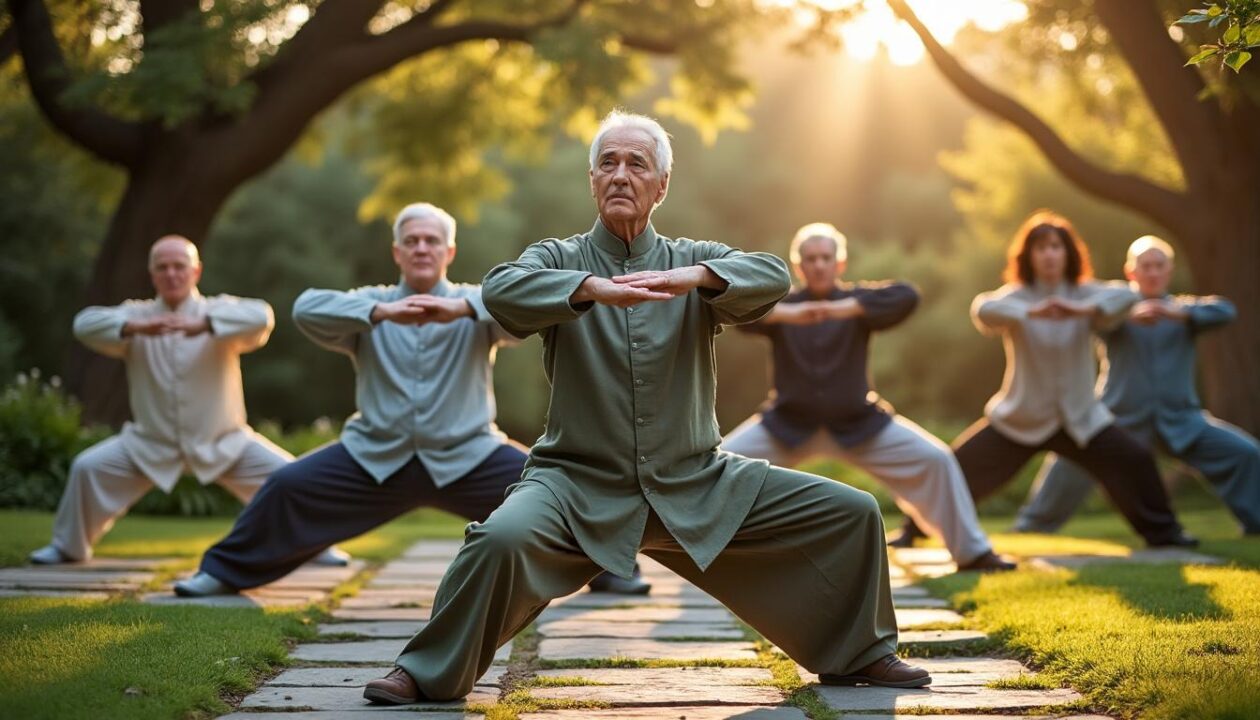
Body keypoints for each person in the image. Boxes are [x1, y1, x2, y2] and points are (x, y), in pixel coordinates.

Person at [363, 111, 929, 706]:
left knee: (853, 511)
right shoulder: (559, 257)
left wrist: (695, 279)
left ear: (661, 186)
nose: (620, 175)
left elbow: (771, 275)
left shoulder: (694, 259)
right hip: (575, 485)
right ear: (591, 180)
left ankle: (859, 654)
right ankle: (426, 671)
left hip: (697, 480)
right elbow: (500, 290)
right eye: (607, 162)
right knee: (497, 540)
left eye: (637, 164)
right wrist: (587, 289)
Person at [173, 203, 650, 597]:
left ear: (449, 251)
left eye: (432, 241)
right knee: (285, 487)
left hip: (470, 456)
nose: (422, 248)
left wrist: (462, 308)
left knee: (558, 492)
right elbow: (305, 309)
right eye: (412, 241)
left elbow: (533, 305)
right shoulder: (370, 304)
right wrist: (381, 313)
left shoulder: (479, 303)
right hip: (374, 458)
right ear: (397, 252)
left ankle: (613, 571)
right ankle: (221, 574)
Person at [29, 237, 346, 567]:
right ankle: (69, 548)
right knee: (87, 468)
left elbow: (262, 316)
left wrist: (207, 325)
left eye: (179, 266)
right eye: (162, 268)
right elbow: (84, 324)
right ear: (152, 275)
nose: (171, 274)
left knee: (290, 477)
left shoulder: (218, 310)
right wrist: (137, 327)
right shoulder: (137, 315)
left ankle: (317, 545)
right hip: (149, 444)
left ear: (196, 271)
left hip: (225, 442)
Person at [890, 212, 1196, 550]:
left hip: (1081, 419)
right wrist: (1029, 312)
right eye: (1040, 248)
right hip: (1020, 418)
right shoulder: (1017, 296)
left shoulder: (1084, 294)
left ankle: (1166, 535)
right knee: (955, 467)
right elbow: (983, 309)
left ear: (1068, 253)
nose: (1049, 254)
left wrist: (1079, 310)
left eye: (1055, 247)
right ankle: (912, 531)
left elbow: (1128, 296)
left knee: (1135, 460)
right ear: (1029, 257)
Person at [722, 223, 1013, 572]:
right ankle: (701, 553)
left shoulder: (858, 303)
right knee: (719, 466)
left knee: (936, 459)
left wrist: (846, 309)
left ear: (839, 264)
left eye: (825, 258)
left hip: (860, 424)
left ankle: (973, 553)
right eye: (810, 259)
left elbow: (907, 296)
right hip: (787, 425)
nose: (818, 265)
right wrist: (789, 314)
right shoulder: (781, 305)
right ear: (798, 267)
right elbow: (737, 313)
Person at [1014, 235, 1260, 535]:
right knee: (1070, 460)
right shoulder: (1114, 312)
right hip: (1118, 421)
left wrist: (1177, 314)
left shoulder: (1184, 311)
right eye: (1145, 266)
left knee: (1246, 453)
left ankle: (1256, 522)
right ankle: (1032, 526)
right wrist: (1127, 315)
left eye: (1159, 266)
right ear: (1131, 272)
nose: (1153, 273)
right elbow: (1093, 314)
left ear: (1168, 271)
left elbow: (1225, 312)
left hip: (1182, 421)